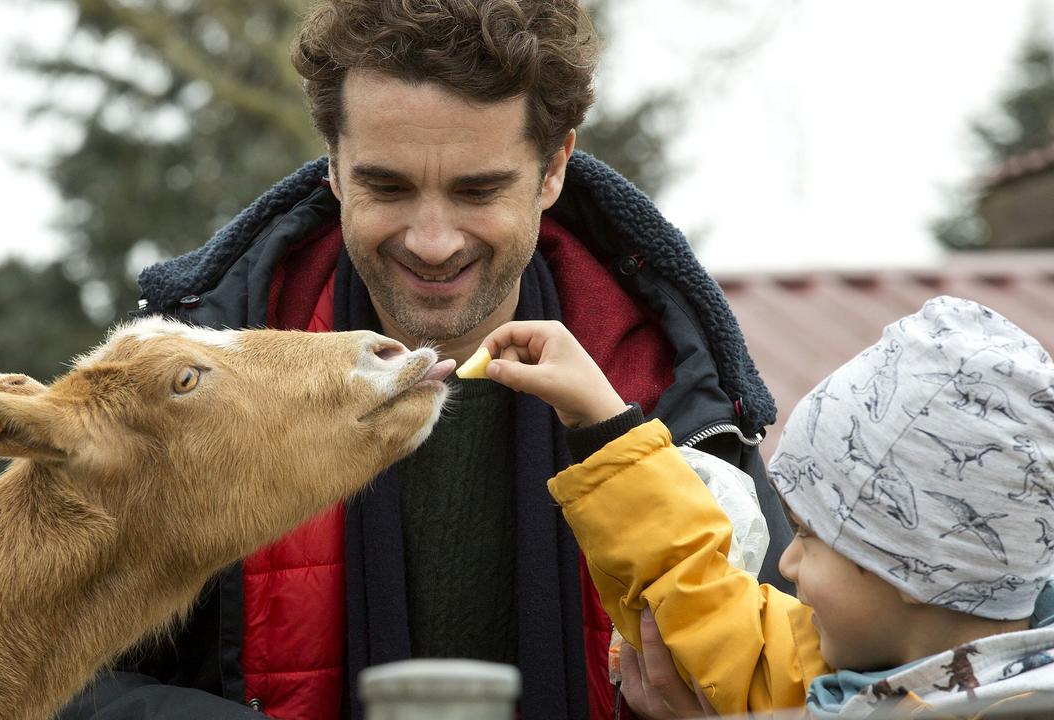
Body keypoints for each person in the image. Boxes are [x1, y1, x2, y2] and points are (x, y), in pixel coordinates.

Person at [59, 1, 793, 718]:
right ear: (336, 170)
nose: (432, 241)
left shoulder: (675, 398)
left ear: (553, 169)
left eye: (479, 190)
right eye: (387, 185)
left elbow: (811, 681)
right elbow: (49, 677)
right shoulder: (190, 390)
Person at [482, 297, 1054, 717]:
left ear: (909, 565)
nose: (786, 564)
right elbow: (697, 598)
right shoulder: (819, 664)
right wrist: (602, 422)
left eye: (807, 536)